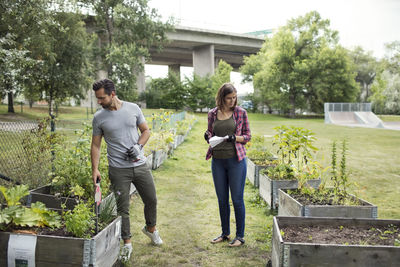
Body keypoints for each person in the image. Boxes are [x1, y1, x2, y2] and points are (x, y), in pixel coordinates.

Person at [90, 79, 163, 262]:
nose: (99, 101)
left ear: (112, 93)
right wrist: (95, 169)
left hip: (140, 165)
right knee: (123, 208)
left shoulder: (133, 109)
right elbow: (96, 145)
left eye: (102, 97)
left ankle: (151, 228)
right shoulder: (99, 117)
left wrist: (139, 146)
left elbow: (146, 131)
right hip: (118, 169)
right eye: (97, 98)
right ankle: (127, 243)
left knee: (151, 199)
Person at [204, 83, 251, 247]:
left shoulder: (240, 113)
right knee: (222, 199)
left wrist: (234, 138)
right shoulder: (212, 113)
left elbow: (247, 136)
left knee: (237, 199)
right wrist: (207, 135)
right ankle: (225, 233)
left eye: (234, 97)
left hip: (235, 161)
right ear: (222, 98)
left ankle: (240, 236)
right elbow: (211, 132)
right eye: (229, 98)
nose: (233, 100)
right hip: (218, 161)